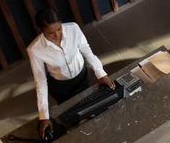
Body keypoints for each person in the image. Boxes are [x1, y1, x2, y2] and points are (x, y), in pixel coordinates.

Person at [27, 8, 115, 138]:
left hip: (81, 76)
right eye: (51, 33)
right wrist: (44, 116)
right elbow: (40, 81)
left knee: (89, 105)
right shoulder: (35, 49)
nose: (57, 35)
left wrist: (101, 73)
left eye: (59, 29)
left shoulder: (73, 28)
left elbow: (86, 51)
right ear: (41, 30)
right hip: (60, 86)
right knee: (73, 115)